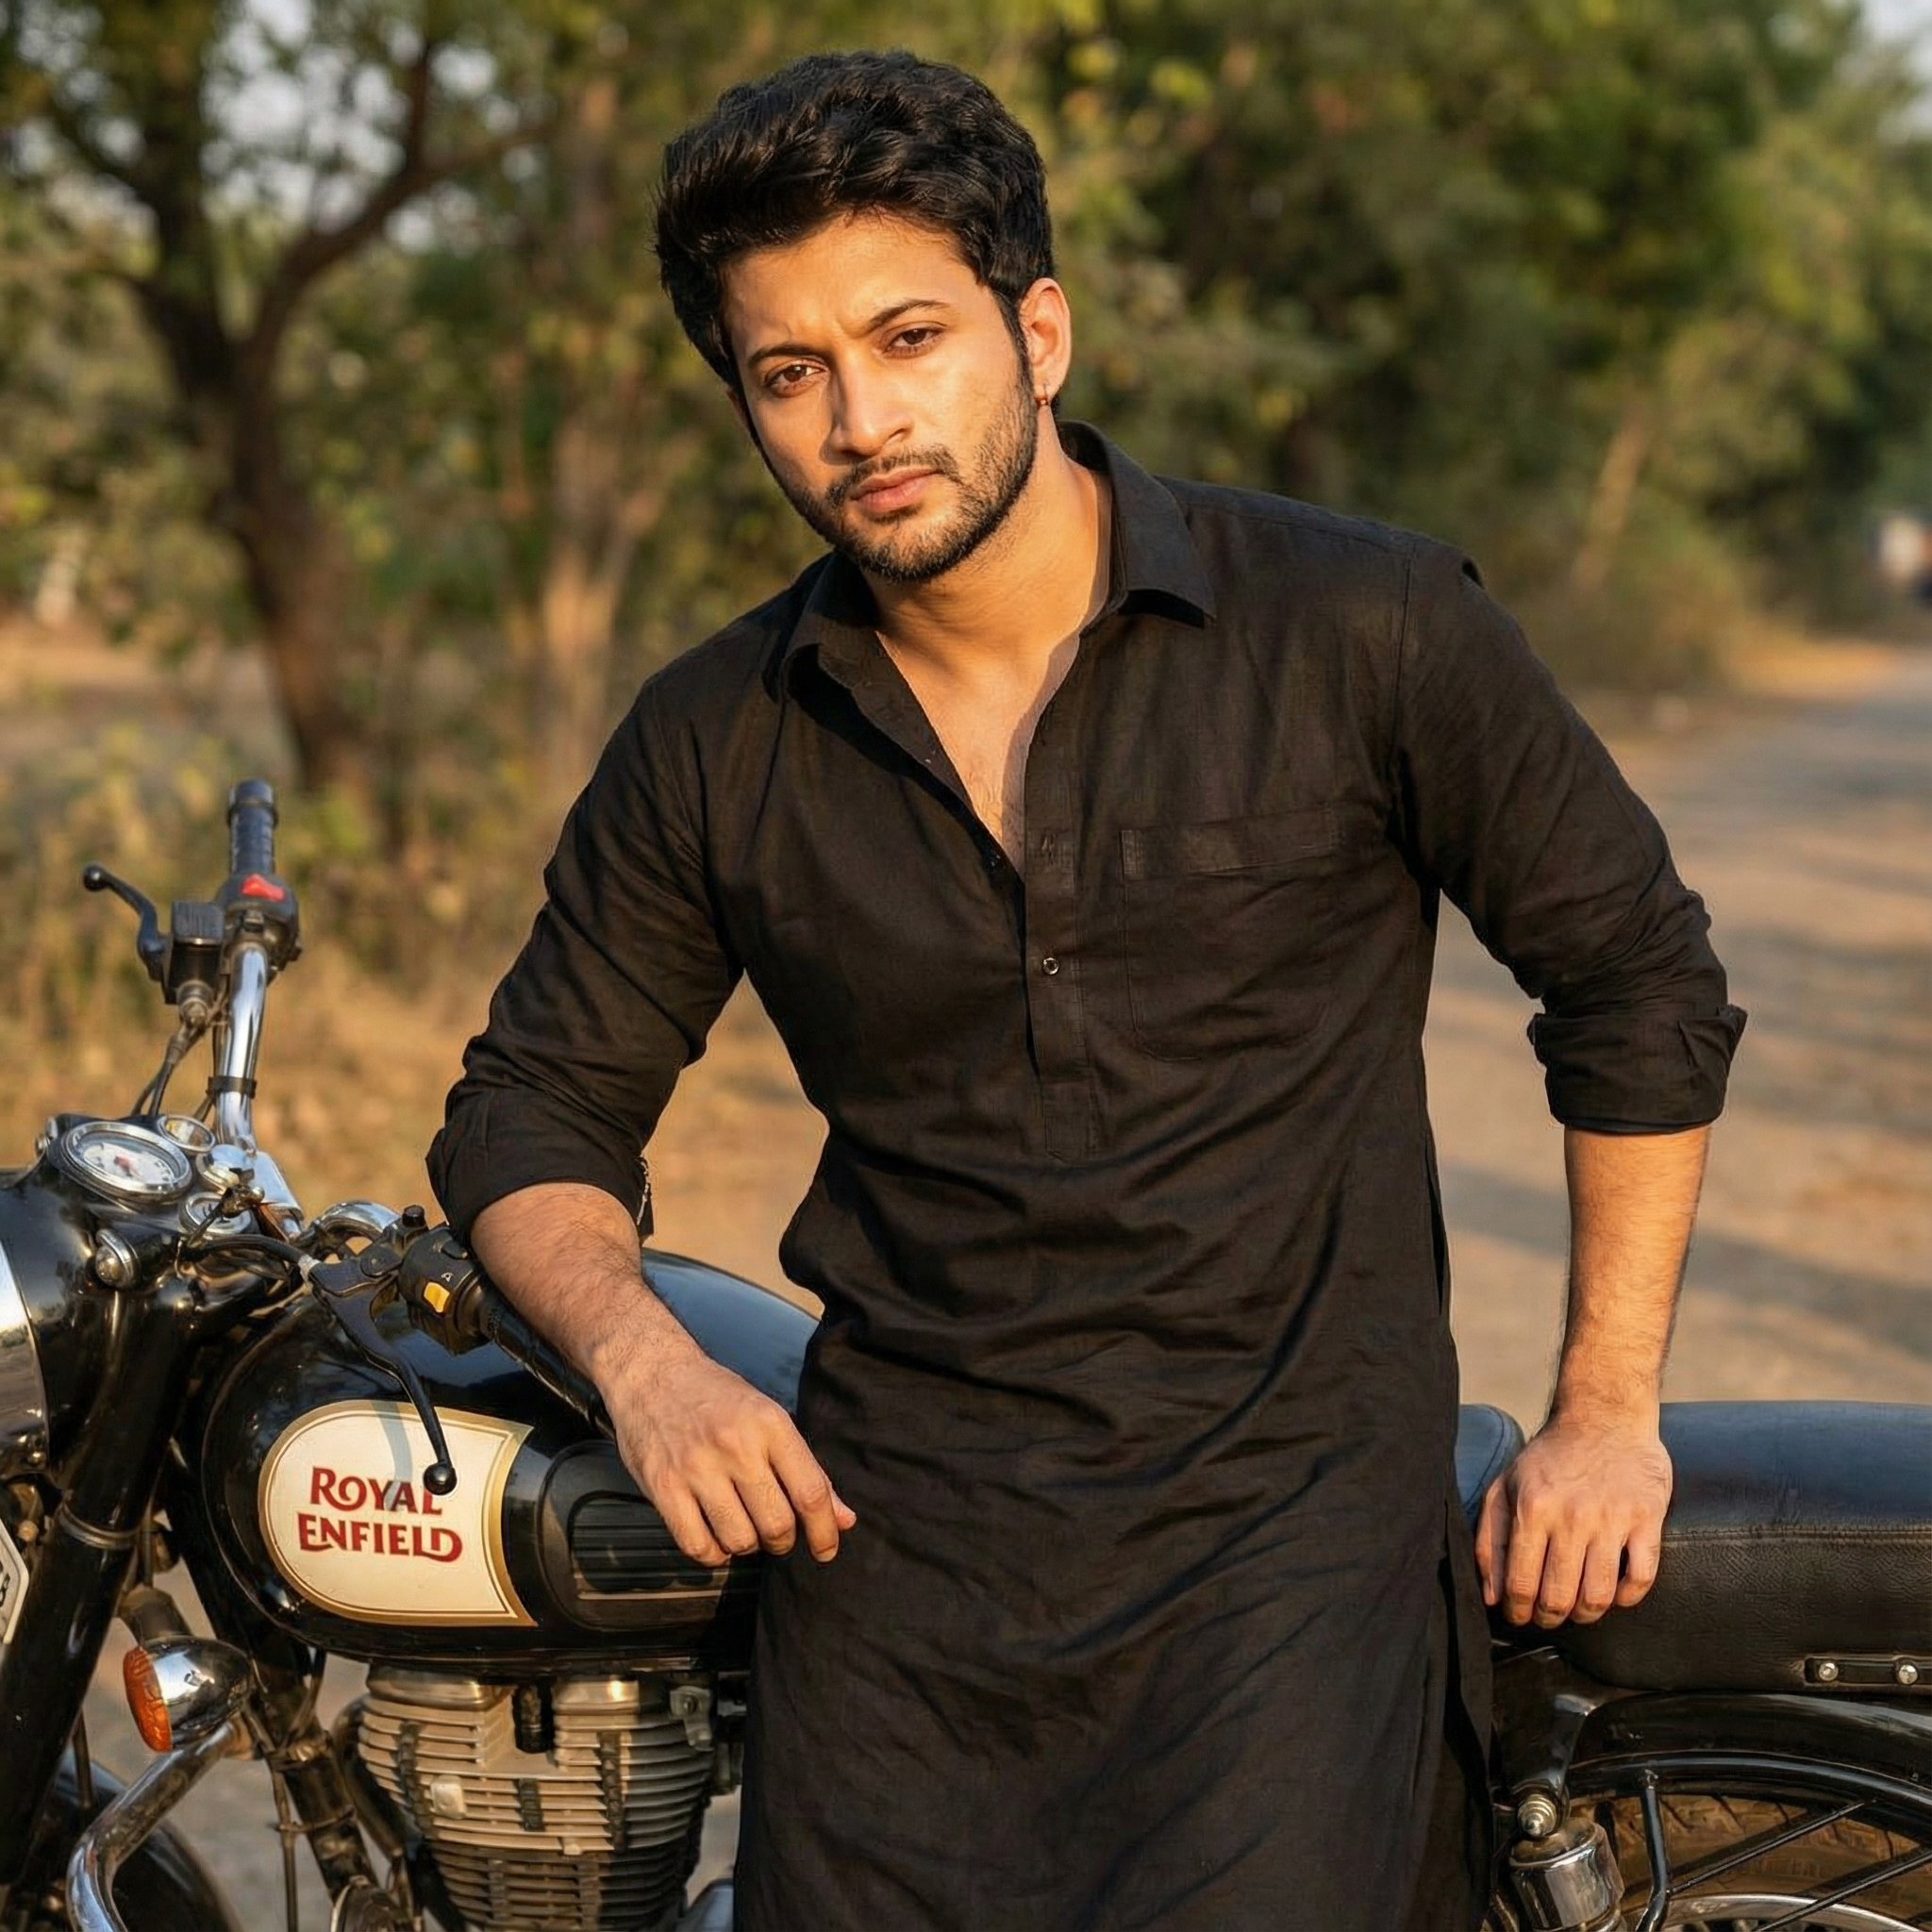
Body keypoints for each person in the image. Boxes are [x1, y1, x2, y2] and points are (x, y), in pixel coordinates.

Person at [427, 49, 1744, 1932]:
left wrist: (1606, 1403)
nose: (859, 418)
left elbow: (1634, 978)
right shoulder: (718, 735)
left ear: (1037, 331)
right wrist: (649, 1366)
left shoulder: (1361, 628)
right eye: (787, 373)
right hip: (897, 1582)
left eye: (909, 337)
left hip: (1285, 1558)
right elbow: (530, 1111)